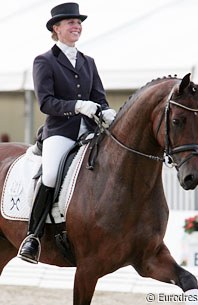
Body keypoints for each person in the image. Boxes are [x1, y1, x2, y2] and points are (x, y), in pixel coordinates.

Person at [18, 2, 116, 264]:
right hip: (61, 130)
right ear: (56, 28)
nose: (77, 26)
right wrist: (76, 106)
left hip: (90, 131)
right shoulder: (44, 61)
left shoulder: (89, 62)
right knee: (50, 174)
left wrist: (107, 112)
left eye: (79, 22)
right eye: (71, 22)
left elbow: (100, 98)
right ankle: (33, 236)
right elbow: (46, 102)